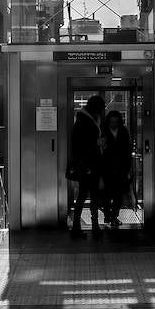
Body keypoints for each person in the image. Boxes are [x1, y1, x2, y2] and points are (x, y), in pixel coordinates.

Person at [69, 95, 106, 238]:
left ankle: (79, 227)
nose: (102, 112)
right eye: (100, 109)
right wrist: (97, 144)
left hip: (89, 164)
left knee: (84, 196)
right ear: (95, 108)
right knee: (89, 195)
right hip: (88, 165)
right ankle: (87, 227)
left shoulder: (84, 119)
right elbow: (82, 145)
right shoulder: (85, 121)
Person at [100, 110, 132, 228]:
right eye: (112, 121)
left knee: (118, 195)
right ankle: (108, 216)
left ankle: (113, 216)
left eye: (115, 121)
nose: (113, 124)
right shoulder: (103, 132)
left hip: (120, 168)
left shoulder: (123, 132)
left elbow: (127, 150)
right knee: (107, 195)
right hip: (107, 168)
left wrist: (127, 167)